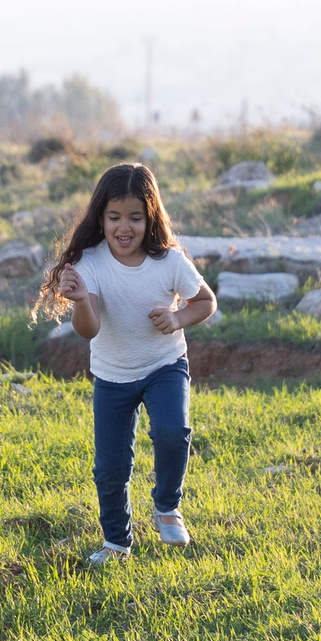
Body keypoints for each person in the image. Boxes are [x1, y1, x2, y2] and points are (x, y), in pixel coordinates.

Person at [36, 161, 217, 565]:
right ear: (100, 217)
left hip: (164, 365)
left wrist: (176, 318)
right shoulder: (91, 265)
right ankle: (116, 543)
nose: (125, 227)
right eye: (114, 216)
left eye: (135, 217)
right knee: (111, 469)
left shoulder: (168, 260)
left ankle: (168, 507)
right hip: (113, 377)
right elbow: (89, 330)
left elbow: (206, 302)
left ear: (150, 217)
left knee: (173, 432)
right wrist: (81, 300)